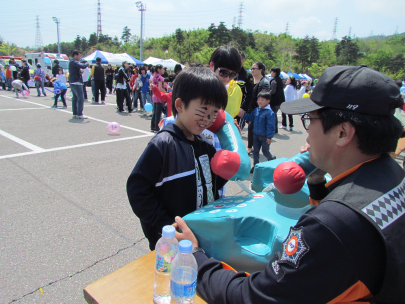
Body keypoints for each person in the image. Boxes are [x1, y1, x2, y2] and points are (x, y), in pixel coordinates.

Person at [173, 65, 405, 303]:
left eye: (310, 120)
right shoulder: (394, 174)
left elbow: (253, 297)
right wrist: (316, 180)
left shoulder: (332, 225)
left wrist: (194, 256)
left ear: (343, 133)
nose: (306, 134)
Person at [127, 67, 229, 251]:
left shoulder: (205, 146)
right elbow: (138, 191)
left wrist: (227, 168)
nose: (209, 119)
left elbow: (212, 184)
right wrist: (166, 227)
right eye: (204, 109)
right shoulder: (162, 145)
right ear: (180, 105)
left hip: (200, 236)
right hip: (170, 242)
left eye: (215, 113)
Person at [242, 90, 276, 173]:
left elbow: (271, 126)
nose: (260, 101)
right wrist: (243, 115)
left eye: (262, 100)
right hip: (256, 135)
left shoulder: (269, 113)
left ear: (268, 101)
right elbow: (250, 117)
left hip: (265, 137)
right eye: (259, 99)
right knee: (255, 151)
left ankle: (271, 158)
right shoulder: (256, 110)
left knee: (265, 152)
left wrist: (269, 137)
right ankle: (256, 166)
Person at [209, 45, 242, 118]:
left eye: (232, 74)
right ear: (212, 65)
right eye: (223, 72)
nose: (227, 78)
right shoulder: (197, 87)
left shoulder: (236, 90)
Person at [245, 62, 270, 154]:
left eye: (254, 68)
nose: (252, 70)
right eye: (251, 68)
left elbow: (264, 97)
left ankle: (250, 147)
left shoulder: (264, 82)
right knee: (252, 127)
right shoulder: (251, 81)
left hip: (259, 109)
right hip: (249, 108)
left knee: (252, 127)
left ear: (260, 70)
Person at [69, 50, 89, 119]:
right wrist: (86, 64)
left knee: (75, 98)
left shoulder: (73, 62)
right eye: (79, 55)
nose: (80, 57)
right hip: (76, 82)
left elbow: (80, 69)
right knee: (81, 98)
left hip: (73, 82)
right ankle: (79, 114)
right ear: (75, 55)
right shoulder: (73, 61)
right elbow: (82, 66)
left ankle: (75, 113)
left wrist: (80, 71)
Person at [236, 51, 254, 126]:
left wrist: (243, 108)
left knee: (236, 132)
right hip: (226, 109)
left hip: (239, 110)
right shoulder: (228, 73)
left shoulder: (247, 76)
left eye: (238, 58)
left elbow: (249, 94)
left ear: (243, 60)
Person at [268, 67, 285, 133]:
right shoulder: (280, 80)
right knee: (274, 114)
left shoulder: (274, 81)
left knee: (273, 115)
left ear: (275, 73)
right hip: (280, 100)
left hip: (274, 100)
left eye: (271, 72)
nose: (271, 73)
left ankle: (274, 129)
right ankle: (275, 129)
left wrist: (266, 94)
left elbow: (272, 91)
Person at [151, 64, 165, 132]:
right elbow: (160, 88)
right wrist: (166, 92)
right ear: (159, 69)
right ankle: (157, 127)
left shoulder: (154, 76)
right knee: (158, 113)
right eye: (162, 68)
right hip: (159, 95)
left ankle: (152, 126)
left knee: (155, 112)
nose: (164, 70)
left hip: (154, 95)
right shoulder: (160, 77)